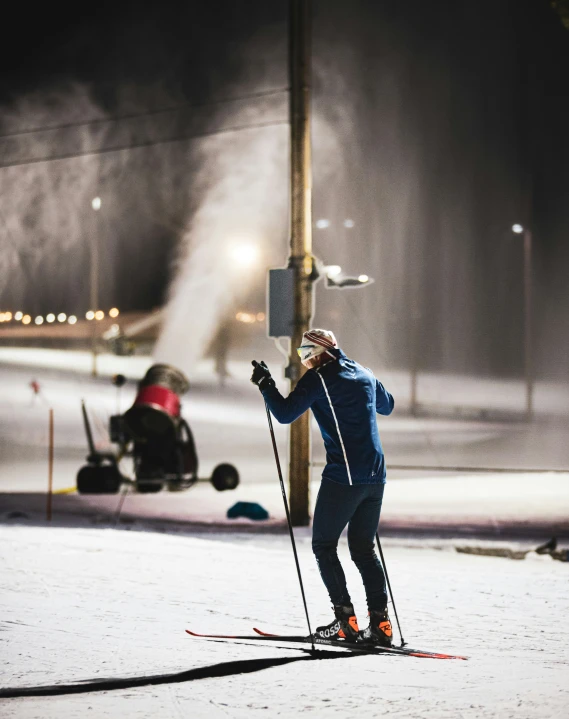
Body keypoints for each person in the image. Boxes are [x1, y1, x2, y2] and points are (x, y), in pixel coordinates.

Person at [251, 328, 394, 646]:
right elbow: (388, 406)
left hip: (344, 476)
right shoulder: (365, 372)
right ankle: (381, 625)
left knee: (324, 546)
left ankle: (346, 622)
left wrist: (266, 385)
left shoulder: (320, 379)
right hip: (376, 475)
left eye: (306, 355)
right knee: (363, 550)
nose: (305, 363)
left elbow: (285, 414)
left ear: (321, 352)